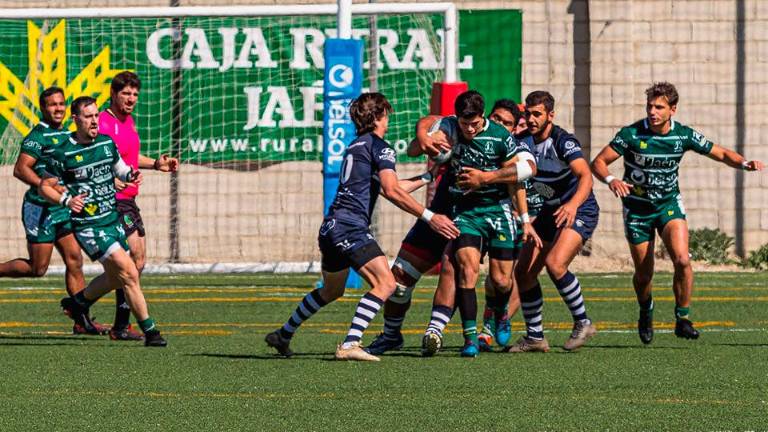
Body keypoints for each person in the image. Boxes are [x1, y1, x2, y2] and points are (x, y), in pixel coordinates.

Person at [265, 92, 459, 361]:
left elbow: (391, 187)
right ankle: (350, 344)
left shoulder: (357, 145)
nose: (389, 119)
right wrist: (430, 216)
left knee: (332, 290)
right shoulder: (381, 147)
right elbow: (392, 191)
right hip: (350, 228)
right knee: (387, 283)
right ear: (380, 115)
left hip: (331, 227)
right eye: (387, 114)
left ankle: (283, 334)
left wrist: (428, 176)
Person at [591, 81, 764, 344]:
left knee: (682, 259)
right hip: (637, 210)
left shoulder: (683, 135)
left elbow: (720, 153)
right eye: (650, 106)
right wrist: (611, 180)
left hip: (669, 205)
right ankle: (645, 311)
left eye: (659, 107)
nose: (652, 111)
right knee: (644, 273)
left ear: (673, 109)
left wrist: (744, 163)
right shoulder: (631, 134)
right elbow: (599, 162)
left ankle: (682, 318)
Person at [39, 96, 167, 347]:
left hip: (112, 220)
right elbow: (45, 186)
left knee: (116, 277)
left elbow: (120, 168)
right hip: (89, 226)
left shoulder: (107, 143)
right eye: (88, 116)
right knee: (130, 272)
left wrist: (133, 174)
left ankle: (78, 304)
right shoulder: (63, 152)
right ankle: (151, 332)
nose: (95, 121)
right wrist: (65, 200)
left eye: (96, 115)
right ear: (75, 120)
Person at [431, 90, 534, 357]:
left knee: (501, 280)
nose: (469, 129)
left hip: (498, 212)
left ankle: (499, 314)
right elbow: (422, 138)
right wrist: (426, 139)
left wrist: (524, 219)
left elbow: (517, 178)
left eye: (474, 124)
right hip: (466, 212)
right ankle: (470, 338)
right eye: (465, 124)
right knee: (467, 270)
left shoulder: (501, 137)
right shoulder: (449, 130)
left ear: (483, 116)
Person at [0, 87, 106, 335]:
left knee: (75, 260)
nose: (57, 108)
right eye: (52, 105)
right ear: (43, 108)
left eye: (61, 104)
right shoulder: (38, 136)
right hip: (41, 209)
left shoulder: (69, 135)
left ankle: (82, 320)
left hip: (62, 208)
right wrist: (45, 186)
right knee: (38, 269)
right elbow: (20, 169)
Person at [506, 90, 599, 353]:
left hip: (579, 209)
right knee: (523, 272)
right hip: (550, 211)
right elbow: (520, 179)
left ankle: (584, 322)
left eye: (537, 114)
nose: (532, 119)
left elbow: (586, 177)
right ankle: (535, 337)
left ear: (550, 115)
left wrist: (571, 205)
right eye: (528, 114)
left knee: (555, 264)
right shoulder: (523, 142)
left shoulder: (563, 141)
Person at [98, 71, 179, 341]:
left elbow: (129, 158)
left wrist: (156, 163)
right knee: (133, 260)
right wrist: (110, 179)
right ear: (113, 93)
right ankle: (120, 324)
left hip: (129, 198)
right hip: (113, 201)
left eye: (134, 94)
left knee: (134, 264)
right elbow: (93, 158)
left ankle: (82, 304)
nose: (131, 98)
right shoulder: (104, 122)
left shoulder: (128, 120)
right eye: (126, 93)